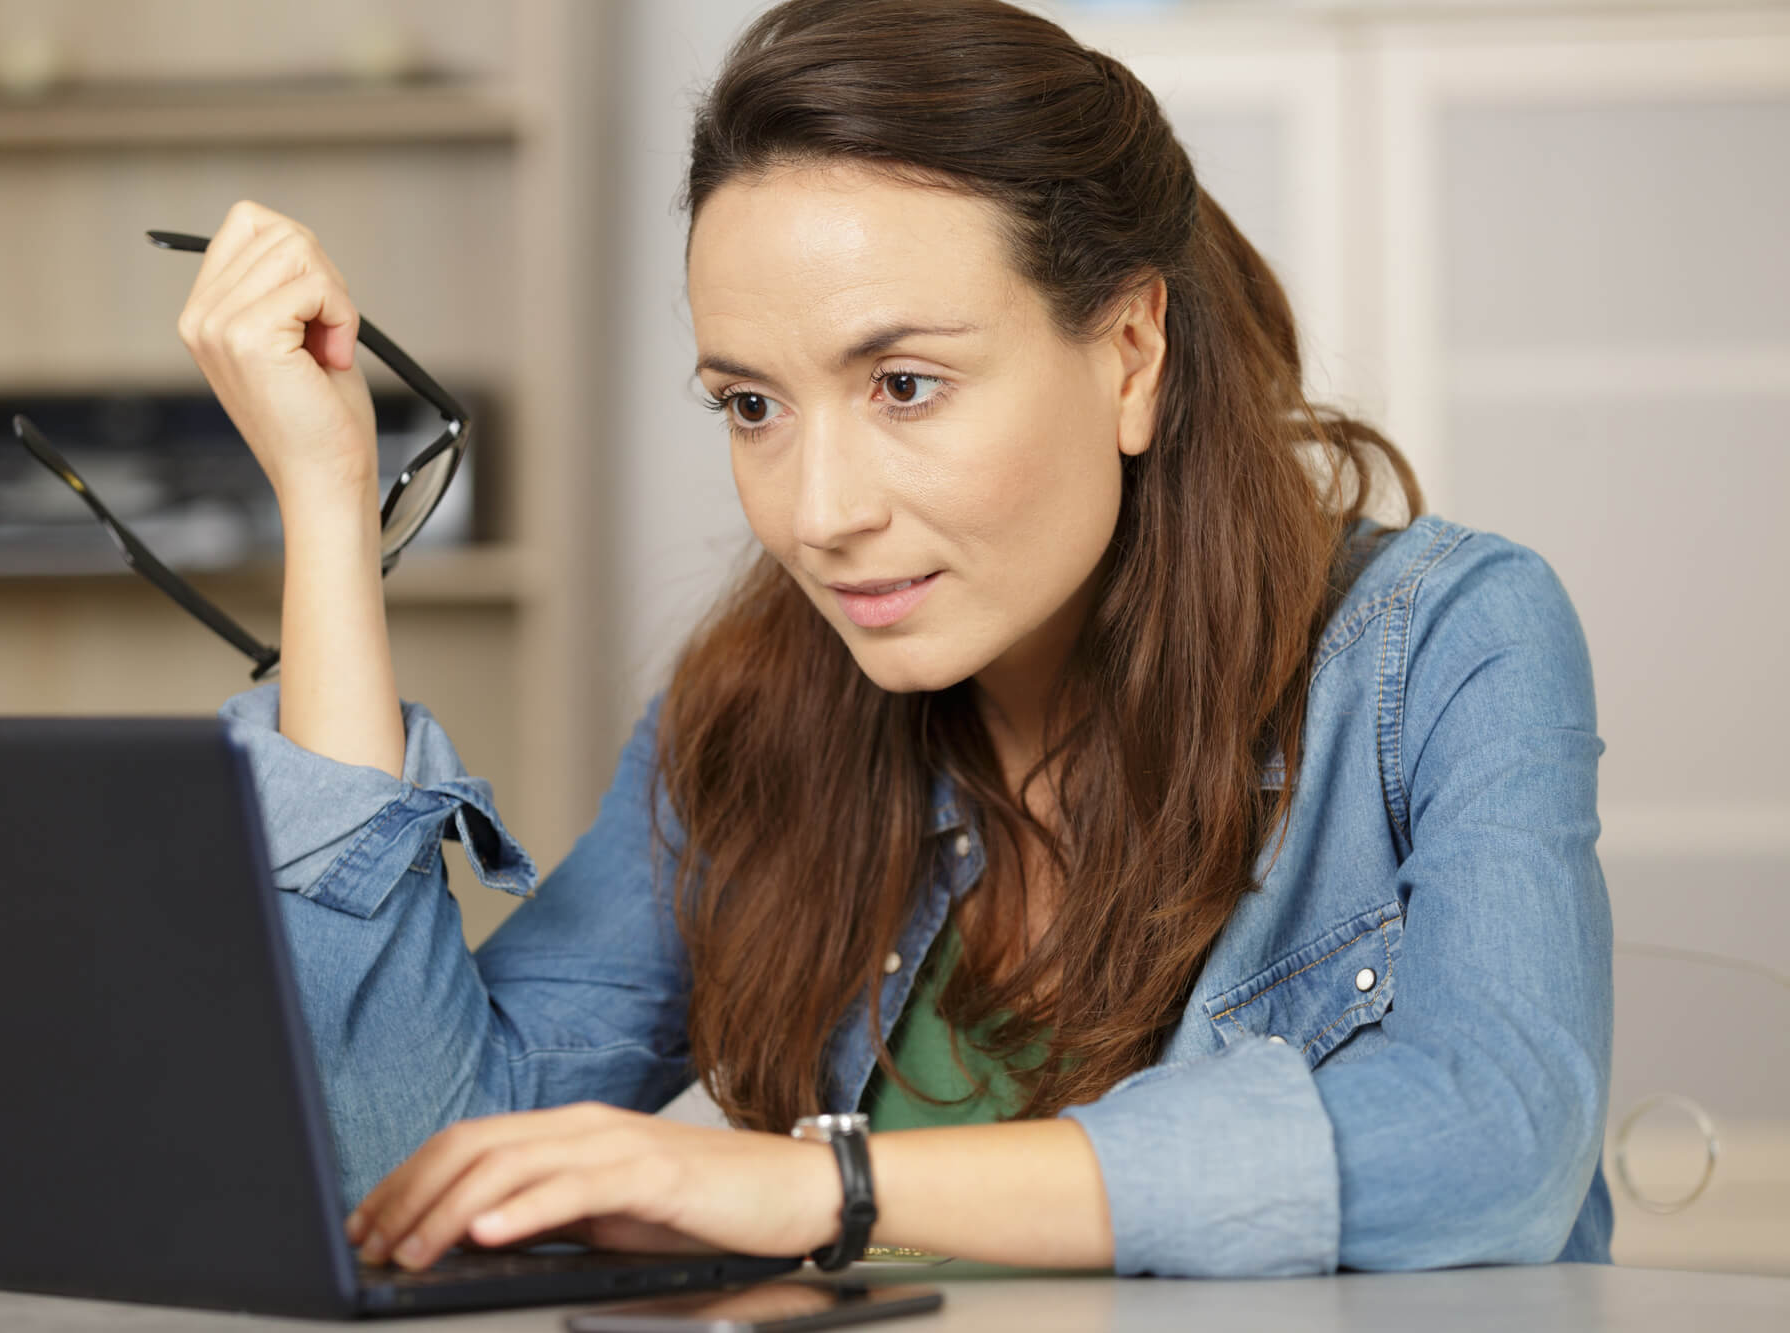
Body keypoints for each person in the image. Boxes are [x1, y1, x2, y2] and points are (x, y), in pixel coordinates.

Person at [185, 0, 1612, 1281]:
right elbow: (407, 1162)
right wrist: (325, 506)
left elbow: (1498, 1143)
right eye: (751, 405)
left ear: (1130, 355)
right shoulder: (745, 720)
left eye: (906, 383)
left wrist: (825, 1185)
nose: (818, 513)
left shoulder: (1445, 645)